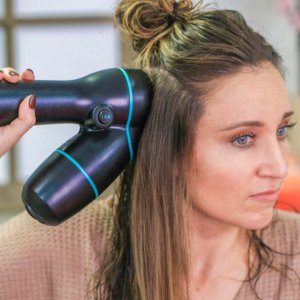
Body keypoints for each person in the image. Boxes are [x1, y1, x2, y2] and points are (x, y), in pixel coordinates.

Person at [1, 0, 300, 299]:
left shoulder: (295, 253)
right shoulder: (46, 251)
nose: (279, 167)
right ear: (168, 147)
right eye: (243, 138)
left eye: (282, 130)